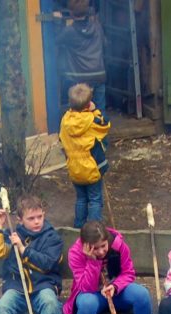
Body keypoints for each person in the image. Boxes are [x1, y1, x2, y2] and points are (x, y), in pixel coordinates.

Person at [59, 82, 110, 228]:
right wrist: (94, 111)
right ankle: (93, 229)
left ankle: (79, 226)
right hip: (91, 168)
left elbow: (61, 138)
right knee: (94, 199)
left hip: (74, 168)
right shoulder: (92, 120)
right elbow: (105, 125)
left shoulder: (65, 120)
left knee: (81, 198)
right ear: (89, 104)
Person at [54, 0, 107, 114]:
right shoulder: (97, 27)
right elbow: (105, 43)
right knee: (100, 112)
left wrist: (58, 21)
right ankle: (100, 130)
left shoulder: (69, 32)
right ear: (88, 11)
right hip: (98, 75)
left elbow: (54, 40)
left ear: (71, 13)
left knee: (79, 112)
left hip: (79, 78)